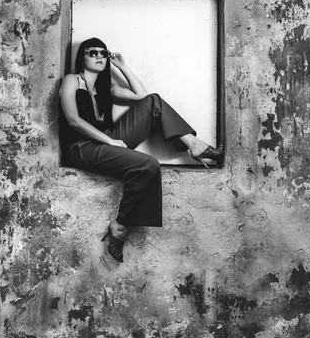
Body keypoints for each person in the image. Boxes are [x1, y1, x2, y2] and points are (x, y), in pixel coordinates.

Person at [58, 37, 223, 262]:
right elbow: (73, 120)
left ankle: (195, 146)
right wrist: (110, 142)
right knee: (148, 164)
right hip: (83, 148)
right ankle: (120, 225)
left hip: (108, 140)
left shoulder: (107, 87)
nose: (99, 57)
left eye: (103, 53)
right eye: (92, 52)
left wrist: (123, 67)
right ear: (82, 57)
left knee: (154, 101)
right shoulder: (72, 80)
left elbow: (142, 97)